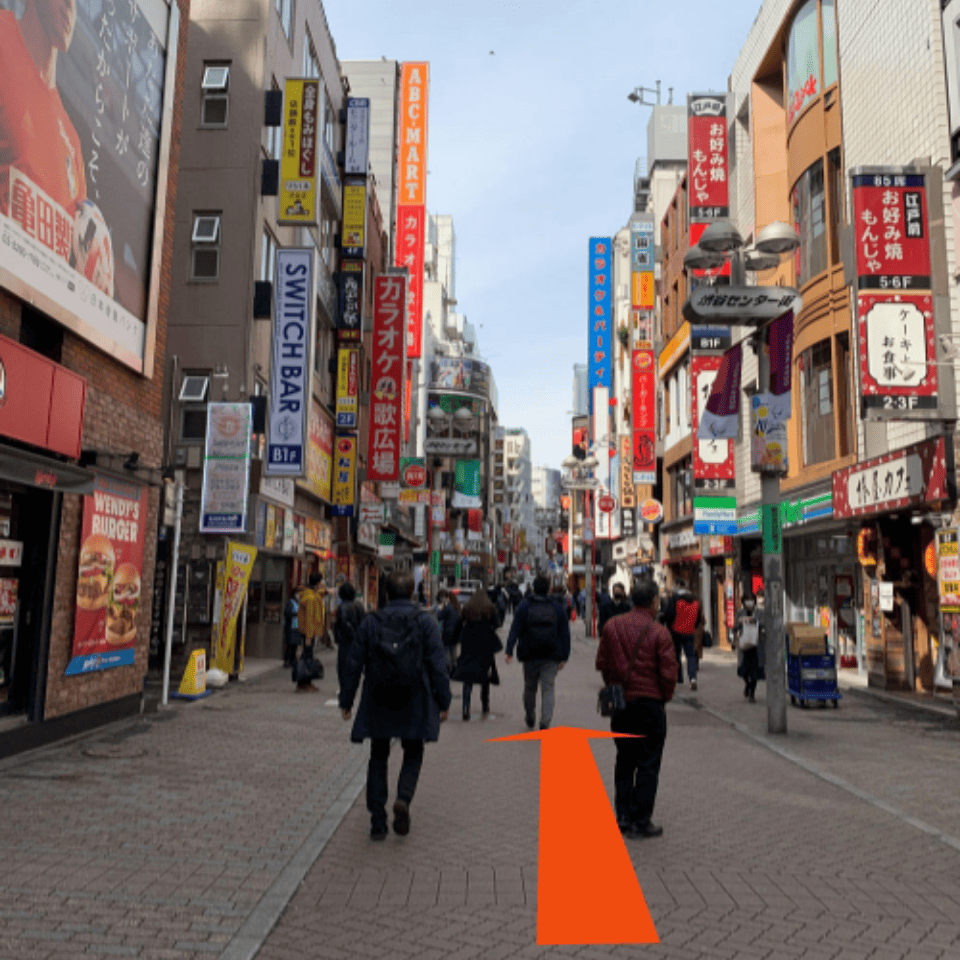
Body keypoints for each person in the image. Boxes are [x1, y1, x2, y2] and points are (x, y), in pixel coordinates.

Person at [339, 570, 451, 841]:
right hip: (414, 696)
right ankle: (403, 798)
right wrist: (443, 700)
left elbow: (353, 663)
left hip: (378, 695)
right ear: (412, 592)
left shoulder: (370, 622)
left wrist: (347, 700)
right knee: (413, 750)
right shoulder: (426, 621)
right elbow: (438, 664)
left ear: (386, 593)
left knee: (378, 754)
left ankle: (377, 820)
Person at [595, 579, 677, 840]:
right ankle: (641, 820)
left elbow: (602, 663)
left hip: (622, 705)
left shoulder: (612, 626)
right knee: (648, 763)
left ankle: (622, 816)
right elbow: (668, 674)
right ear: (654, 601)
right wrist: (663, 697)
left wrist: (615, 684)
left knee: (624, 759)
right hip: (650, 706)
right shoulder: (659, 633)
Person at [505, 574, 570, 730]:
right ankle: (545, 722)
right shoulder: (556, 607)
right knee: (548, 688)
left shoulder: (524, 606)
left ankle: (530, 715)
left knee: (529, 687)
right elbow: (565, 633)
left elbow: (515, 629)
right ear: (548, 589)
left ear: (533, 588)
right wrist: (564, 656)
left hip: (529, 654)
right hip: (551, 655)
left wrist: (509, 650)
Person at [452, 590, 502, 720]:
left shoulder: (467, 608)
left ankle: (465, 708)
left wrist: (454, 639)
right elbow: (497, 624)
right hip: (485, 641)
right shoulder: (489, 607)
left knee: (467, 676)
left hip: (468, 642)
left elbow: (458, 624)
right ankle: (485, 705)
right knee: (484, 675)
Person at [663, 579, 704, 691]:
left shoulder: (675, 598)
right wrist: (693, 627)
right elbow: (698, 617)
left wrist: (669, 627)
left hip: (676, 630)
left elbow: (669, 614)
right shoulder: (695, 599)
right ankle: (693, 678)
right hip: (689, 631)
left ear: (677, 586)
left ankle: (679, 678)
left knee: (677, 655)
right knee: (690, 656)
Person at [295, 572, 326, 692]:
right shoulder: (311, 598)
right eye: (321, 581)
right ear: (318, 582)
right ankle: (303, 683)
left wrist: (327, 592)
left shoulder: (311, 594)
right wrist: (308, 636)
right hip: (309, 632)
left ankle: (306, 682)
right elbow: (309, 619)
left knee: (308, 657)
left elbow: (319, 594)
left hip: (310, 632)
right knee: (307, 658)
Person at [334, 581, 366, 694]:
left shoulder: (342, 607)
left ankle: (345, 687)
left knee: (343, 665)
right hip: (358, 641)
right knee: (355, 664)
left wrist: (350, 635)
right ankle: (353, 685)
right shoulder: (359, 606)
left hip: (346, 641)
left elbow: (343, 623)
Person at [733, 594, 765, 703]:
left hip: (757, 645)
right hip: (744, 645)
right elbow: (735, 627)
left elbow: (764, 624)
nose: (749, 602)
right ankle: (747, 684)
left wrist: (754, 621)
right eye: (747, 600)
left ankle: (752, 694)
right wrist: (739, 623)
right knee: (744, 670)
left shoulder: (760, 612)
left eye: (751, 600)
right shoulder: (739, 613)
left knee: (755, 671)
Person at [436, 589, 461, 674]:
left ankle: (447, 668)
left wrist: (440, 609)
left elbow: (439, 617)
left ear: (448, 598)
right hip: (456, 632)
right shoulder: (457, 607)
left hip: (448, 632)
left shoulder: (448, 607)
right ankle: (454, 667)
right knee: (453, 651)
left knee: (446, 651)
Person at [282, 586, 302, 668]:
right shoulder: (291, 602)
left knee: (295, 645)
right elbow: (287, 613)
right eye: (298, 593)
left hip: (296, 627)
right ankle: (287, 661)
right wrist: (297, 614)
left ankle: (293, 661)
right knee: (290, 645)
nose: (299, 594)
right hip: (291, 627)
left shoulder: (298, 602)